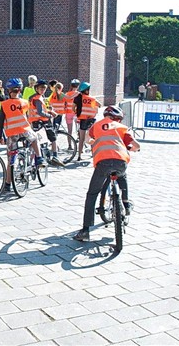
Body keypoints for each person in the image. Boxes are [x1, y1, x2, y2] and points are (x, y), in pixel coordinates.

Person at [73, 106, 140, 242]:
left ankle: (85, 231)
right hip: (120, 162)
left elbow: (87, 140)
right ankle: (126, 203)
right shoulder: (121, 127)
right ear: (118, 118)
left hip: (102, 163)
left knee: (92, 194)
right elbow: (136, 145)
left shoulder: (96, 126)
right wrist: (131, 149)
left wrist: (95, 142)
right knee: (122, 175)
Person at [0, 78, 48, 192]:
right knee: (35, 138)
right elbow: (26, 116)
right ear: (20, 90)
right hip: (25, 130)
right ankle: (39, 159)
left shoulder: (4, 104)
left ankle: (7, 184)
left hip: (11, 134)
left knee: (10, 159)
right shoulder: (24, 102)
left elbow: (0, 122)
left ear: (8, 90)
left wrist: (0, 136)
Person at [28, 80, 66, 167]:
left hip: (37, 121)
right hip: (41, 121)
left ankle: (35, 159)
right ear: (36, 88)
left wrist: (51, 111)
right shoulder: (37, 98)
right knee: (52, 138)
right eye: (41, 88)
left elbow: (46, 107)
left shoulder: (40, 97)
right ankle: (55, 156)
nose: (43, 90)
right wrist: (50, 115)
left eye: (44, 88)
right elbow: (40, 112)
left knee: (38, 140)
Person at [73, 82, 101, 161]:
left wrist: (76, 112)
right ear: (87, 90)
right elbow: (99, 104)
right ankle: (93, 153)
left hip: (83, 120)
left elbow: (73, 107)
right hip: (91, 120)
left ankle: (79, 156)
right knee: (91, 136)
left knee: (81, 138)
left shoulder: (78, 98)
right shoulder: (92, 99)